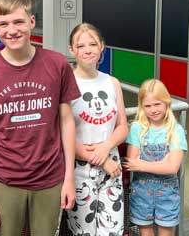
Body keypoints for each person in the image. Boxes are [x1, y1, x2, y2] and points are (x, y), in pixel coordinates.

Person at [0, 0, 80, 236]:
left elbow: (67, 122)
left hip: (50, 178)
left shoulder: (57, 64)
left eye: (18, 22)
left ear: (32, 22)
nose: (12, 30)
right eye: (3, 24)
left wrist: (69, 177)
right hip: (2, 180)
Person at [66, 23, 128, 236]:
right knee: (84, 231)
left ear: (102, 46)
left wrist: (107, 147)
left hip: (112, 167)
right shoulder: (66, 84)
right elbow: (63, 135)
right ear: (71, 50)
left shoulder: (112, 83)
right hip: (79, 167)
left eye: (93, 44)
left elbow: (122, 126)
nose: (88, 49)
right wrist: (101, 158)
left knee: (112, 230)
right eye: (81, 45)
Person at [123, 79, 188, 236]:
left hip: (167, 195)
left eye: (157, 104)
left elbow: (172, 167)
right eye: (148, 106)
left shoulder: (175, 130)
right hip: (141, 194)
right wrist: (161, 164)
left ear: (166, 102)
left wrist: (142, 164)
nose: (153, 110)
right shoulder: (137, 128)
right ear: (142, 107)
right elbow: (131, 163)